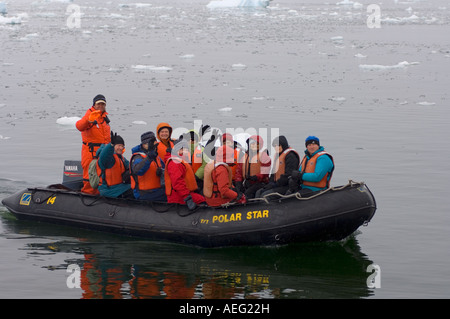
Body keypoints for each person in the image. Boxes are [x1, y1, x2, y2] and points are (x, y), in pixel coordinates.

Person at [76, 94, 111, 194]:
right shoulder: (89, 115)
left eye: (103, 104)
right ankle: (87, 195)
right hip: (90, 154)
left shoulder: (104, 118)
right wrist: (89, 120)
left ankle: (99, 195)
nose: (101, 106)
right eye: (98, 104)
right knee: (90, 176)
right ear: (94, 105)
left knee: (102, 176)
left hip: (102, 152)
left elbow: (105, 137)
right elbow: (79, 126)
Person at [164, 140, 206, 210]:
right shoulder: (175, 163)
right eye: (184, 149)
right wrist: (187, 198)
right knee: (202, 200)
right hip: (179, 196)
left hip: (184, 194)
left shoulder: (181, 161)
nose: (186, 152)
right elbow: (177, 183)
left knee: (201, 198)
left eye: (187, 149)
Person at [130, 131, 167, 202]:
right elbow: (138, 171)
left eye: (154, 143)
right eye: (150, 143)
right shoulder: (138, 157)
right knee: (169, 193)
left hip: (156, 190)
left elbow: (165, 169)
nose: (154, 145)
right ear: (144, 145)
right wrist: (149, 158)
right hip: (144, 193)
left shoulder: (156, 156)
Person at [95, 132, 133, 198]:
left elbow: (131, 166)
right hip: (109, 190)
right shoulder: (108, 159)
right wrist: (111, 145)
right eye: (119, 145)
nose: (121, 148)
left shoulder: (121, 158)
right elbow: (105, 155)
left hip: (119, 187)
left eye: (122, 146)